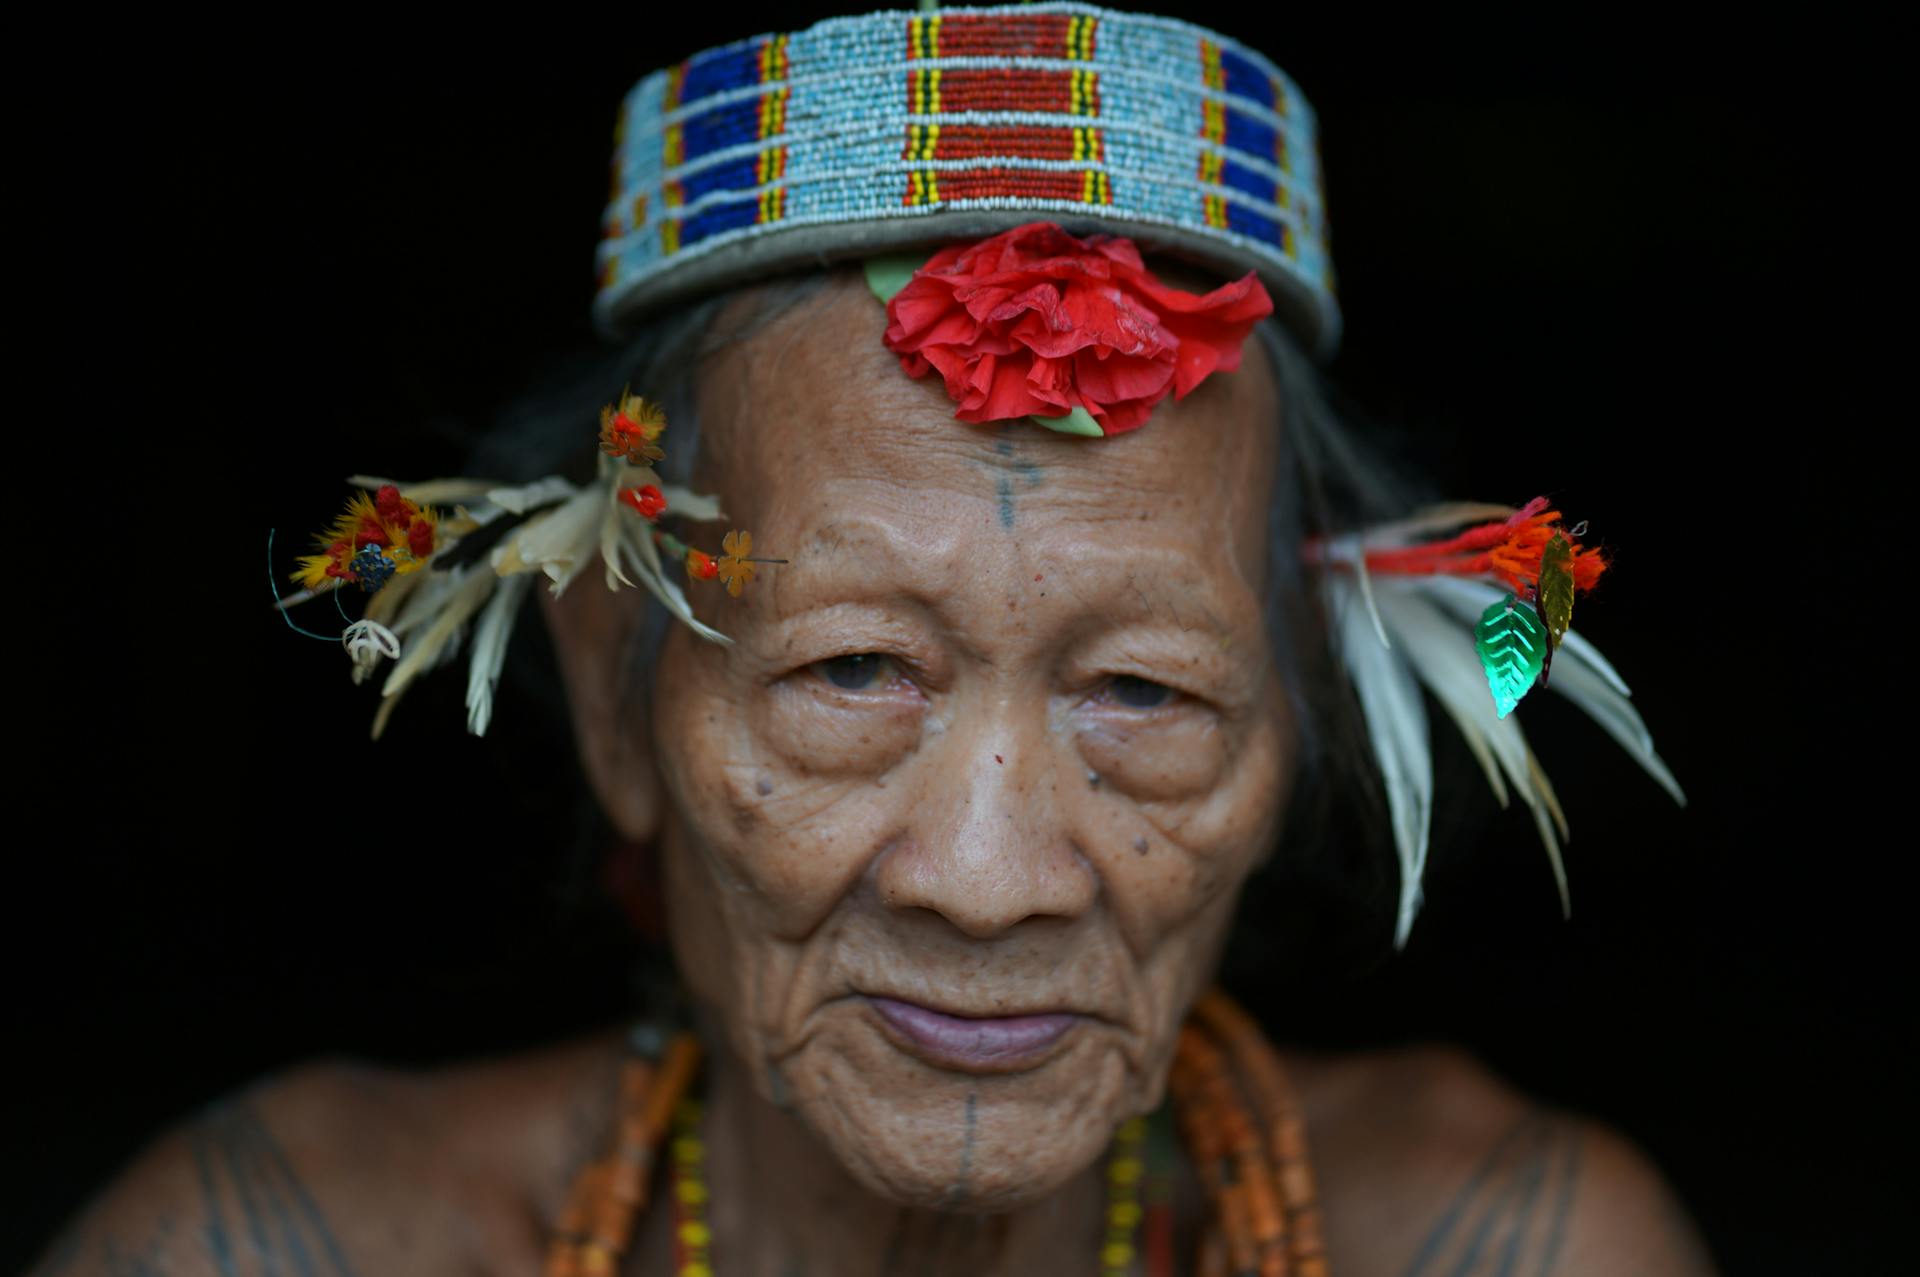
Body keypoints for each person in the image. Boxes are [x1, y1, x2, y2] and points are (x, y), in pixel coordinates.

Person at [34, 6, 1714, 1275]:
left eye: (1143, 688)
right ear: (622, 701)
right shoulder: (269, 1245)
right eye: (853, 670)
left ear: (1301, 718)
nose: (986, 880)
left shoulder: (1518, 1244)